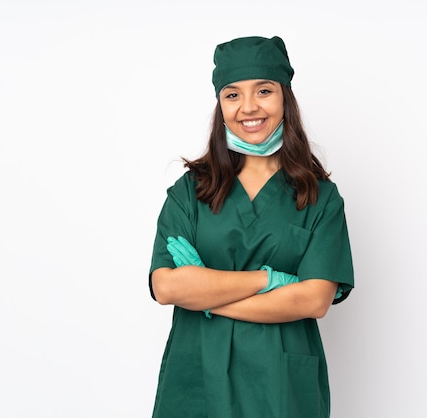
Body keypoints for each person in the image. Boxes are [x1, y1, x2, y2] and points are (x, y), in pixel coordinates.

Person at [148, 35, 354, 418]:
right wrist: (271, 280)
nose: (248, 108)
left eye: (263, 91)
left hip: (280, 383)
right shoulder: (189, 193)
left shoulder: (320, 197)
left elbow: (314, 300)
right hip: (199, 375)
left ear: (284, 98)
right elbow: (166, 287)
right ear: (220, 105)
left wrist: (206, 293)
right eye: (232, 95)